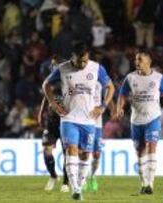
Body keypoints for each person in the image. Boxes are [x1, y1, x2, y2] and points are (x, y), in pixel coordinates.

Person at [42, 43, 115, 201]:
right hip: (69, 119)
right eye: (79, 61)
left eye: (85, 61)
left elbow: (110, 86)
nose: (82, 64)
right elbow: (46, 85)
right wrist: (53, 104)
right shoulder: (62, 68)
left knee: (85, 154)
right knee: (71, 150)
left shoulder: (96, 68)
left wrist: (103, 106)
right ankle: (75, 189)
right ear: (72, 57)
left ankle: (80, 186)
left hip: (89, 121)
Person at [116, 51, 163, 194]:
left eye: (140, 60)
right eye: (136, 60)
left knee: (151, 146)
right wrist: (119, 107)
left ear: (148, 62)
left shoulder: (159, 78)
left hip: (153, 118)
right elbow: (122, 95)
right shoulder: (130, 78)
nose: (137, 62)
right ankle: (143, 183)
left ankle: (150, 184)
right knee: (140, 152)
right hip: (136, 120)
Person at [38, 57, 69, 193]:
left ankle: (66, 182)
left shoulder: (69, 82)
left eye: (55, 65)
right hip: (50, 122)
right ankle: (53, 176)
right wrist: (40, 112)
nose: (53, 68)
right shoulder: (51, 83)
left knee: (67, 153)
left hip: (66, 122)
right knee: (47, 151)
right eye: (52, 66)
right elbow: (46, 96)